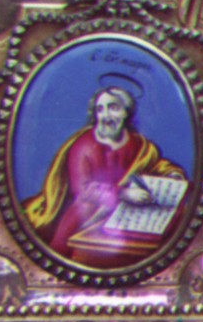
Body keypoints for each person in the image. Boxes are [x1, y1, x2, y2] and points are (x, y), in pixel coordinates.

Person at [19, 80, 187, 271]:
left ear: (126, 112)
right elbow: (84, 189)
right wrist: (122, 193)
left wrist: (172, 173)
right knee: (70, 254)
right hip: (88, 213)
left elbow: (154, 164)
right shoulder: (84, 146)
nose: (105, 116)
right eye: (100, 110)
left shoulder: (140, 145)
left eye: (113, 108)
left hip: (129, 213)